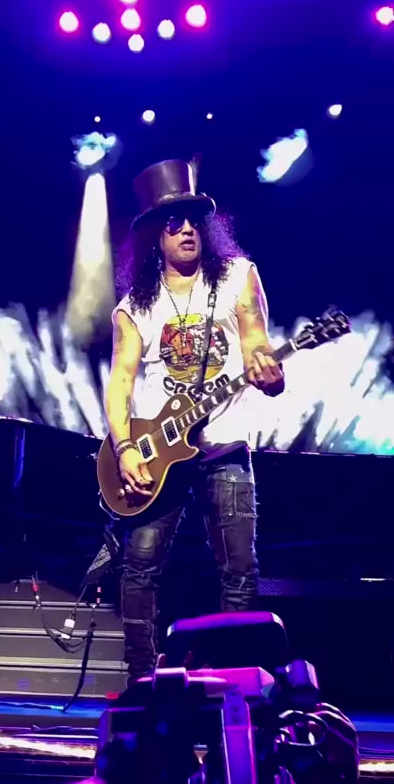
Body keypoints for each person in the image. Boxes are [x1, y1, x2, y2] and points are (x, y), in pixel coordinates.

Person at [104, 159, 285, 686]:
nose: (186, 229)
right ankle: (141, 680)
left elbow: (256, 343)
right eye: (172, 222)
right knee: (139, 566)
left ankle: (235, 681)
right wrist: (125, 448)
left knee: (239, 570)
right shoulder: (134, 307)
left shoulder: (237, 277)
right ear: (153, 237)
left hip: (224, 449)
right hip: (156, 454)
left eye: (192, 220)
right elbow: (120, 383)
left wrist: (269, 373)